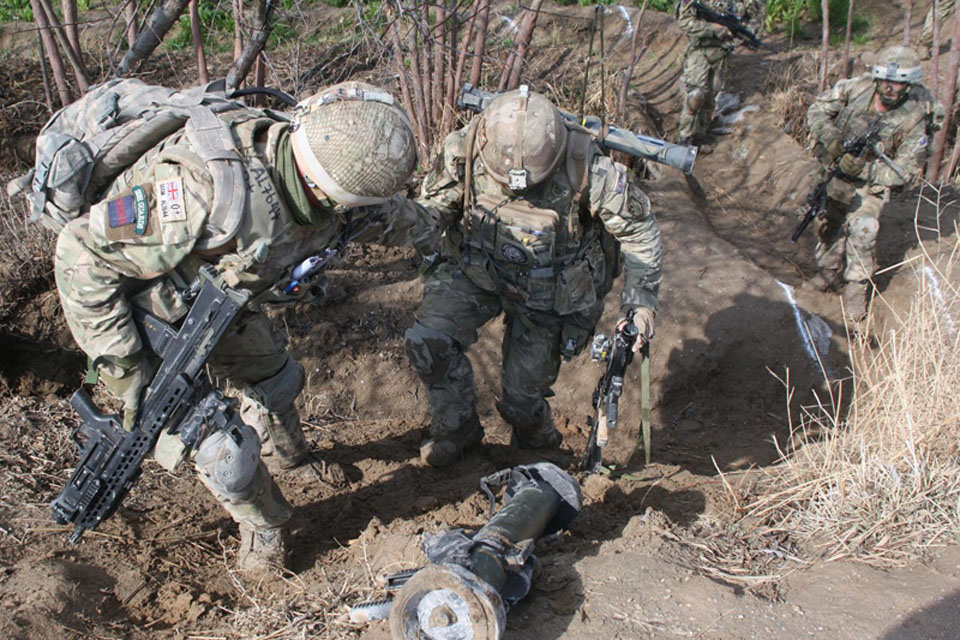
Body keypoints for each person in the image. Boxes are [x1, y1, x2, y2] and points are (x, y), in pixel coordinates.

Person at [47, 80, 438, 576]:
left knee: (278, 381)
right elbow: (79, 251)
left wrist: (457, 236)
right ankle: (265, 526)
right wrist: (124, 369)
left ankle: (290, 459)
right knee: (223, 452)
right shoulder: (203, 191)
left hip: (215, 299)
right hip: (135, 311)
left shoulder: (337, 180)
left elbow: (399, 218)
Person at [404, 87, 663, 468]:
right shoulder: (467, 147)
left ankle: (538, 445)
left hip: (551, 292)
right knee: (428, 341)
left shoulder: (586, 165)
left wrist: (640, 303)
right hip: (479, 270)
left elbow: (639, 231)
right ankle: (456, 428)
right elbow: (433, 210)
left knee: (520, 402)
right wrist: (396, 221)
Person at [806, 46, 941, 319]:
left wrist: (866, 170)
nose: (891, 88)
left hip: (872, 182)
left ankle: (856, 289)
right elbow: (817, 111)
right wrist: (833, 140)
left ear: (909, 84)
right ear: (877, 78)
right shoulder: (854, 89)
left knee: (863, 229)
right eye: (886, 81)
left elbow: (904, 172)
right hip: (834, 171)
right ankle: (828, 273)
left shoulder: (915, 116)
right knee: (826, 222)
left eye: (899, 83)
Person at [676, 0, 767, 149]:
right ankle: (684, 138)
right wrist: (712, 28)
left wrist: (743, 35)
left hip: (722, 53)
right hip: (700, 51)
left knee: (710, 98)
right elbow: (685, 22)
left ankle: (699, 136)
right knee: (696, 95)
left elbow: (754, 19)